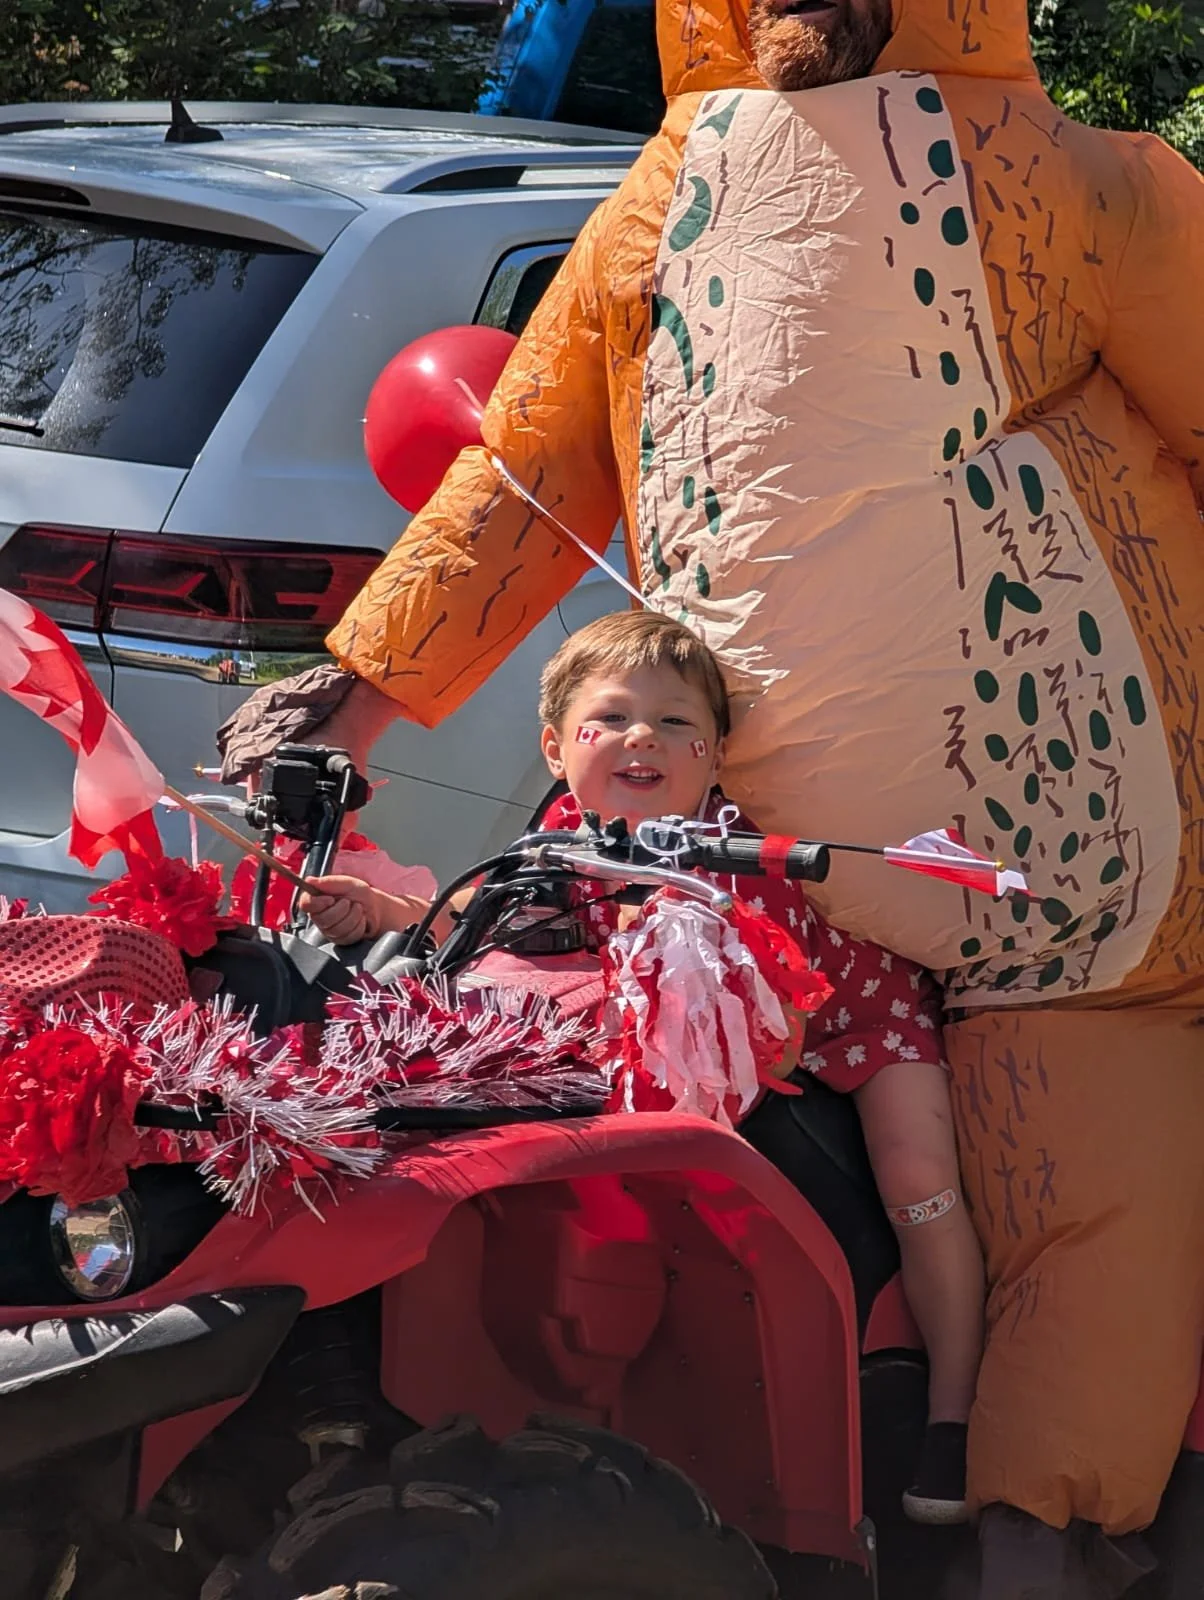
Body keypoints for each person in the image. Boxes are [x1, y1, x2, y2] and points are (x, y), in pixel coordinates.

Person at [218, 0, 1204, 1586]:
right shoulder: (652, 214)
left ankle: (1037, 1525)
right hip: (720, 882)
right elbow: (518, 482)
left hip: (1072, 906)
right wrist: (344, 703)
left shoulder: (1087, 194)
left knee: (1081, 1220)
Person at [298, 610, 984, 1523]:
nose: (641, 738)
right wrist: (383, 911)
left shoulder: (724, 860)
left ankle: (956, 1414)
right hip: (659, 1024)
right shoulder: (552, 841)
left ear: (713, 755)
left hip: (848, 1008)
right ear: (555, 746)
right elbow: (470, 915)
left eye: (674, 722)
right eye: (613, 717)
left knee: (919, 1180)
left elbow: (759, 1040)